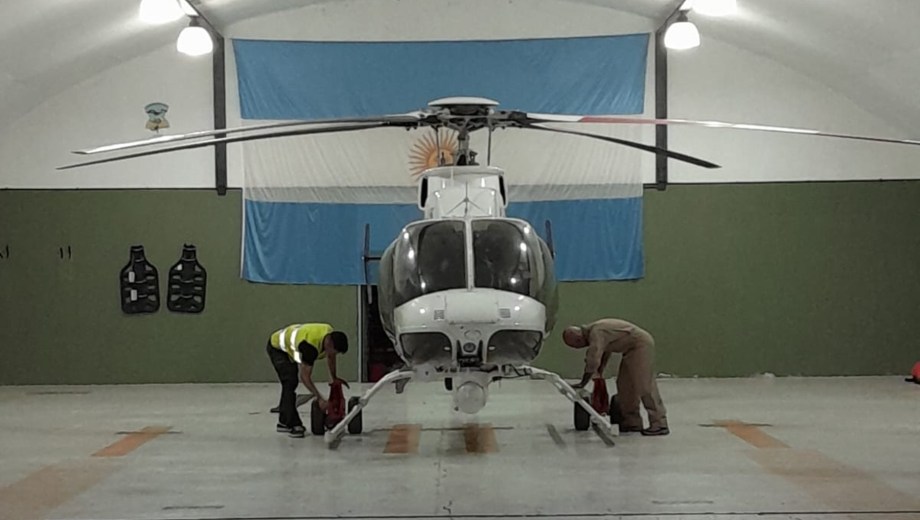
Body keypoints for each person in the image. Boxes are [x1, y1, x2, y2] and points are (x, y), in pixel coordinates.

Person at [562, 318, 669, 436]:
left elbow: (593, 359)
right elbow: (604, 353)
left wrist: (584, 382)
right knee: (625, 387)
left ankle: (659, 423)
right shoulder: (596, 331)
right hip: (630, 350)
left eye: (576, 345)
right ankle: (632, 422)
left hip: (640, 346)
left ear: (578, 339)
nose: (579, 348)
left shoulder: (597, 332)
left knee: (644, 385)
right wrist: (599, 373)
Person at [266, 323, 348, 437]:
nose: (334, 355)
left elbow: (330, 357)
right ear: (329, 343)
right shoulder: (310, 347)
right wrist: (319, 398)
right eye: (335, 351)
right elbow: (305, 377)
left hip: (294, 343)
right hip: (277, 347)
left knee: (290, 382)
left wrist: (334, 378)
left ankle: (283, 422)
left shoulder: (329, 332)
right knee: (290, 382)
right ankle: (293, 424)